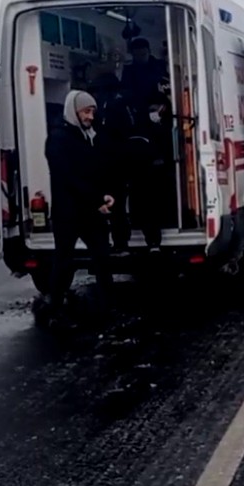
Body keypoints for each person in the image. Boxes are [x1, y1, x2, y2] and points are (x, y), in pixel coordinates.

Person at [44, 90, 115, 315]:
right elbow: (68, 177)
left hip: (89, 210)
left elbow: (93, 172)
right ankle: (54, 305)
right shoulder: (58, 139)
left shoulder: (87, 136)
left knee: (102, 256)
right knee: (63, 260)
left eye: (92, 111)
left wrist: (104, 194)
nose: (90, 116)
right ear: (73, 112)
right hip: (69, 213)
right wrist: (96, 200)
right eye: (86, 111)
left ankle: (107, 305)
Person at [91, 73, 137, 250]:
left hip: (115, 164)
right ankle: (116, 240)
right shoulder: (106, 108)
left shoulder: (116, 108)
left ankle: (119, 241)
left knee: (114, 205)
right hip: (109, 164)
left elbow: (124, 133)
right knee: (110, 205)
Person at [128, 91, 176, 251]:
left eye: (156, 108)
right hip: (146, 172)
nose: (153, 112)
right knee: (147, 203)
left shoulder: (170, 125)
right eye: (151, 109)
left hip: (159, 172)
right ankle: (151, 236)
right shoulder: (142, 127)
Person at [121, 37, 169, 109]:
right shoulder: (128, 71)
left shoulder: (160, 66)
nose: (140, 58)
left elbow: (167, 87)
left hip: (160, 107)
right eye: (136, 55)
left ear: (149, 52)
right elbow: (125, 93)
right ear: (132, 54)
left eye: (143, 54)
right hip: (137, 109)